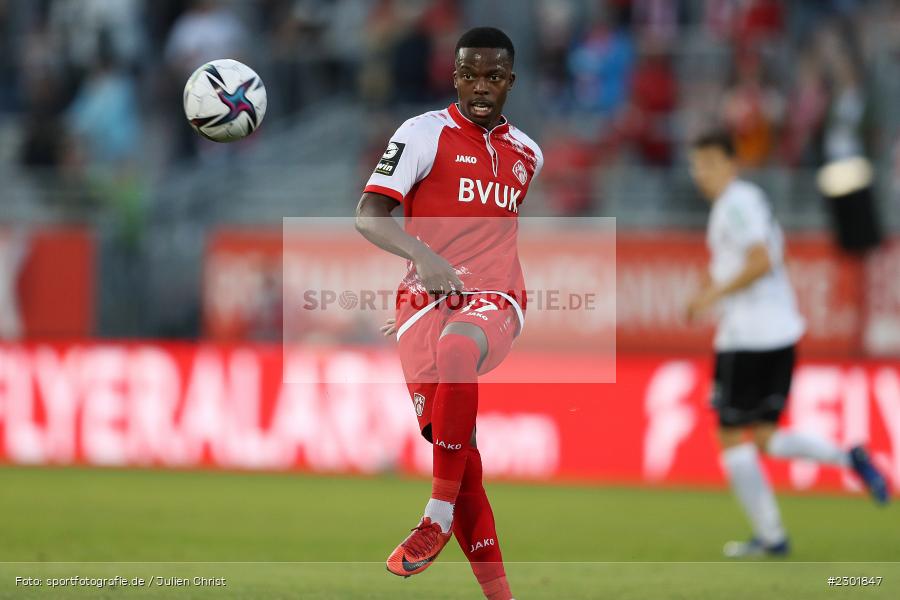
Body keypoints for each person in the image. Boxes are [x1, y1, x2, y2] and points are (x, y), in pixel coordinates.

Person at [355, 26, 542, 600]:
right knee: (463, 465)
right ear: (454, 77)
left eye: (493, 76)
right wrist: (422, 263)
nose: (480, 86)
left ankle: (433, 518)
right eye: (469, 75)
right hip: (424, 305)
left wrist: (448, 272)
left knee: (458, 347)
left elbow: (489, 238)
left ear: (511, 81)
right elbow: (369, 214)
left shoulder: (528, 153)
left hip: (497, 297)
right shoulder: (422, 133)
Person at [685, 130, 889, 559]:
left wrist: (711, 295)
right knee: (764, 436)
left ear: (731, 164)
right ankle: (849, 458)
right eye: (696, 164)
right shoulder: (745, 202)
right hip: (780, 333)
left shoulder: (736, 203)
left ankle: (771, 537)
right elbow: (751, 258)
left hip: (747, 337)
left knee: (729, 435)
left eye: (708, 163)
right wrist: (709, 285)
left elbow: (761, 260)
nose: (700, 173)